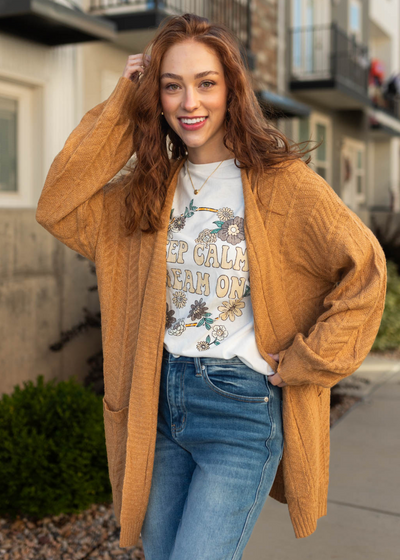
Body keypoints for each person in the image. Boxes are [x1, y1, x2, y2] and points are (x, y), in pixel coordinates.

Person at [36, 13, 387, 559]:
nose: (189, 102)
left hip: (240, 411)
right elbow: (58, 203)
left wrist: (306, 360)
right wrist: (121, 105)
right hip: (157, 406)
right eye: (172, 86)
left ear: (231, 89)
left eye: (205, 83)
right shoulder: (147, 191)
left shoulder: (280, 183)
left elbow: (365, 270)